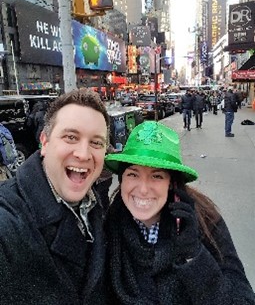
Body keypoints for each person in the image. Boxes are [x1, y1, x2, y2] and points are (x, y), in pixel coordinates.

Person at [104, 121, 255, 305]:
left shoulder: (204, 220)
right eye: (133, 174)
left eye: (157, 176)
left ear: (172, 184)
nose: (143, 189)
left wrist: (194, 255)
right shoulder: (110, 223)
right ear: (121, 180)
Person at [0, 88, 110, 304]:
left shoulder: (96, 205)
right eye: (71, 137)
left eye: (96, 142)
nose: (83, 154)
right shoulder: (7, 224)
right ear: (44, 142)